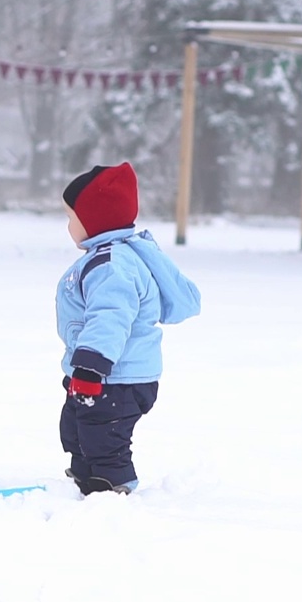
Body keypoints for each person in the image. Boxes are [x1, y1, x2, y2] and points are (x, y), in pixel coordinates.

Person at [56, 161, 201, 494]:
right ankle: (86, 476)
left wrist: (91, 369)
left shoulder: (112, 266)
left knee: (103, 434)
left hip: (114, 378)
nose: (68, 226)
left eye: (70, 218)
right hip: (105, 375)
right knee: (76, 427)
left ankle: (114, 484)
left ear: (93, 220)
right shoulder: (108, 258)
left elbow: (110, 318)